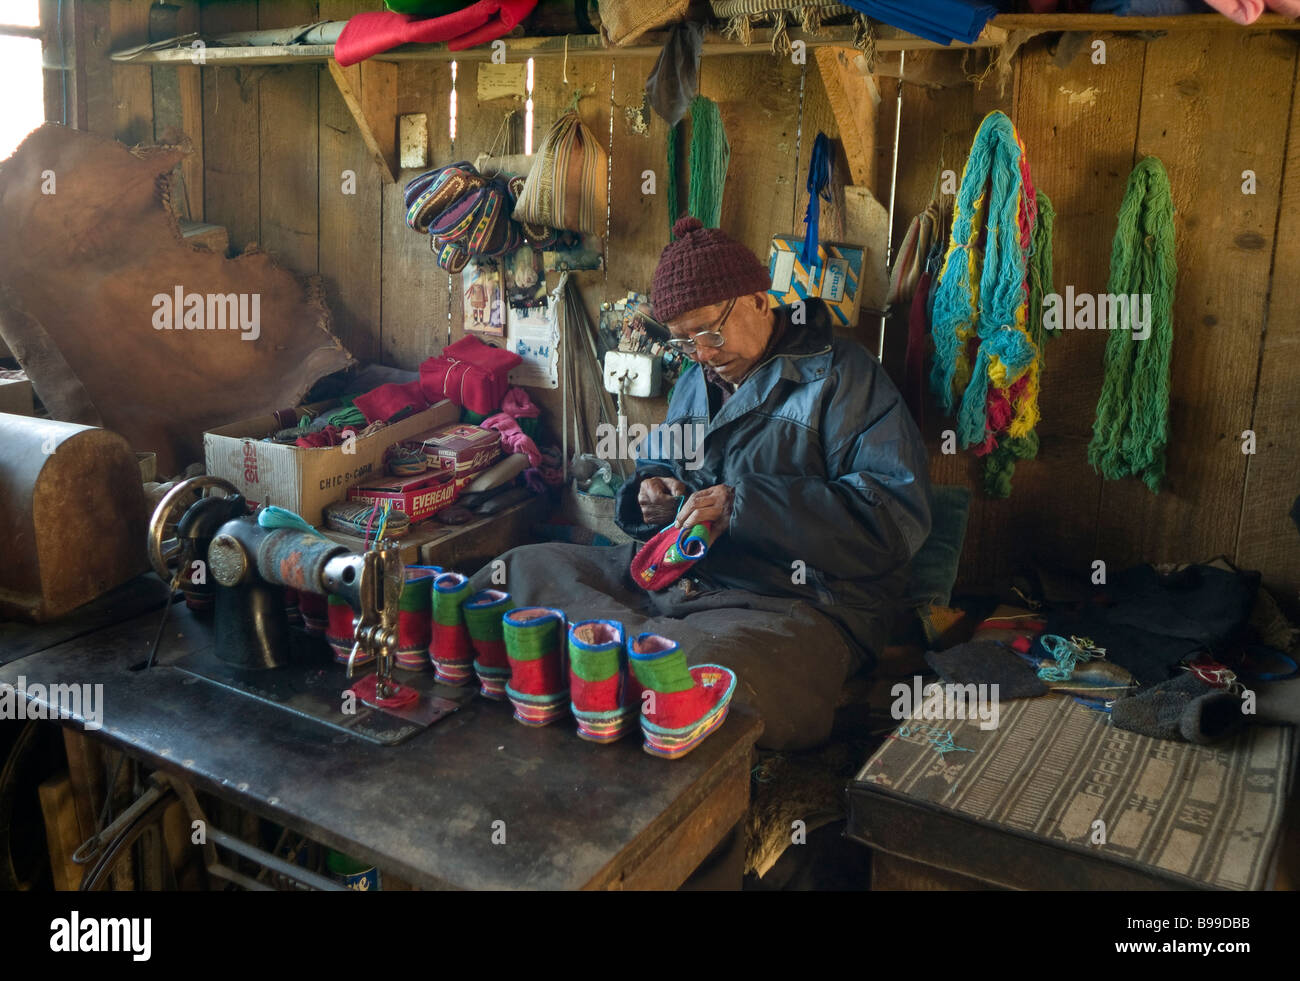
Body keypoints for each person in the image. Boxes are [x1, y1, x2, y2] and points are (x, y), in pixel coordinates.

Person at [470, 217, 932, 750]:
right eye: (685, 342)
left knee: (701, 675)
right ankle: (608, 668)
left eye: (710, 331)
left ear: (760, 300)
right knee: (520, 571)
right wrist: (647, 493)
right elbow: (657, 470)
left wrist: (744, 506)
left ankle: (621, 676)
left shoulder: (842, 377)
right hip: (679, 578)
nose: (704, 353)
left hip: (790, 603)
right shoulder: (695, 380)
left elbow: (896, 518)